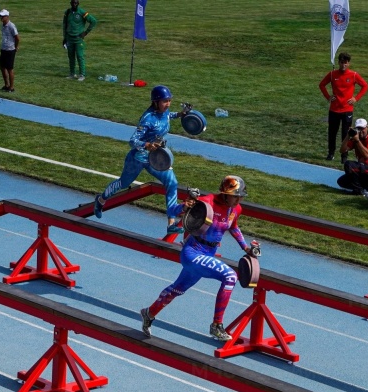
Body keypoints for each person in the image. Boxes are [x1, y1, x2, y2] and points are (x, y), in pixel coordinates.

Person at [140, 176, 257, 342]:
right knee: (230, 276)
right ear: (224, 194)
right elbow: (172, 211)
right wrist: (184, 206)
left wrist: (245, 247)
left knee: (177, 290)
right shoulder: (206, 202)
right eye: (235, 196)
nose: (239, 199)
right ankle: (216, 325)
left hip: (207, 253)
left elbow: (234, 227)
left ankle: (148, 313)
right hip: (193, 253)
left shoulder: (235, 209)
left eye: (240, 196)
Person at [93, 85, 189, 234]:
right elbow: (132, 141)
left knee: (172, 182)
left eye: (169, 100)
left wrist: (181, 114)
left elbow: (169, 116)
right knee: (123, 183)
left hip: (156, 158)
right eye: (165, 101)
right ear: (156, 102)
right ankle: (100, 200)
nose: (168, 104)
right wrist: (147, 145)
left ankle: (171, 222)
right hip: (138, 158)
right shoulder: (147, 119)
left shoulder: (165, 111)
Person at [318, 52, 368, 163]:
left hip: (347, 110)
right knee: (332, 132)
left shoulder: (354, 75)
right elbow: (321, 84)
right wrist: (328, 97)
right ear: (339, 62)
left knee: (346, 134)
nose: (343, 65)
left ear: (349, 63)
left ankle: (344, 156)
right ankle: (331, 153)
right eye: (341, 62)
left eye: (345, 63)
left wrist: (356, 98)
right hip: (334, 109)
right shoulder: (332, 74)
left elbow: (365, 86)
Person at [336, 118, 368, 194]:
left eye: (362, 128)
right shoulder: (355, 139)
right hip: (362, 169)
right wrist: (348, 135)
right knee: (341, 181)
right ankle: (366, 186)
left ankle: (358, 190)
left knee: (348, 165)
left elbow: (367, 155)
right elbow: (342, 150)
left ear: (367, 127)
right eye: (358, 129)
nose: (360, 131)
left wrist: (357, 141)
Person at [62, 0, 97, 81]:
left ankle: (82, 74)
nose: (74, 4)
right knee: (71, 57)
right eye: (73, 3)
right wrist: (64, 38)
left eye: (76, 3)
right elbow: (64, 25)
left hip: (78, 39)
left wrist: (85, 33)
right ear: (70, 3)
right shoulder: (67, 12)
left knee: (79, 56)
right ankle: (72, 73)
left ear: (78, 4)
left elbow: (93, 21)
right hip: (69, 38)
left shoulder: (82, 12)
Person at [0, 10, 20, 92]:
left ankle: (11, 87)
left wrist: (16, 47)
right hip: (3, 49)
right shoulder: (3, 26)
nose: (1, 18)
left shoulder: (11, 26)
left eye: (3, 16)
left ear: (7, 16)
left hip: (10, 50)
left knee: (9, 68)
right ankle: (6, 85)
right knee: (2, 67)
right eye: (0, 16)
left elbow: (17, 38)